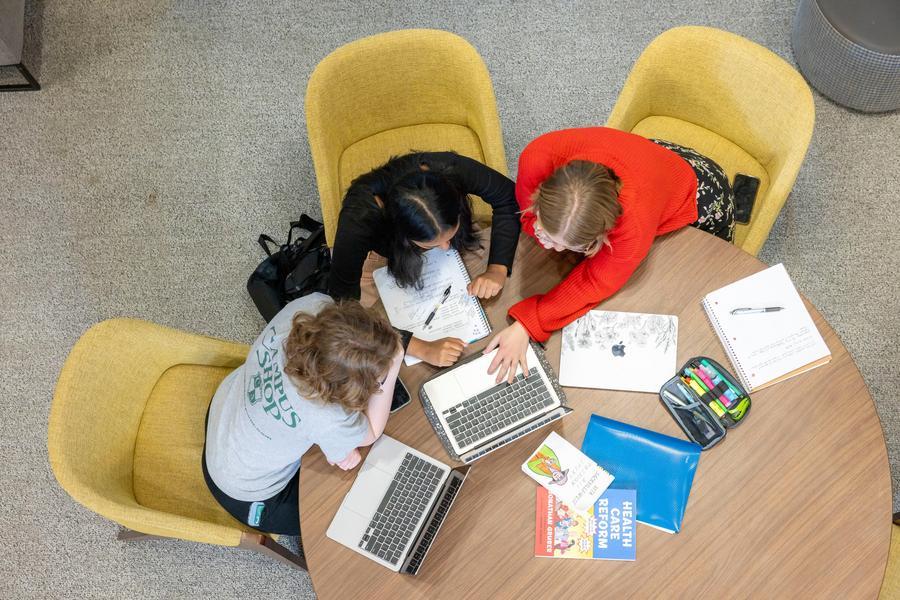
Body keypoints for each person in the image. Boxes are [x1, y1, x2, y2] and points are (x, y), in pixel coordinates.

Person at [484, 127, 735, 382]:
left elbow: (594, 281)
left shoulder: (633, 223)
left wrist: (529, 323)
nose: (554, 249)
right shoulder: (536, 159)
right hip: (645, 157)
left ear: (607, 232)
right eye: (547, 235)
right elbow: (527, 214)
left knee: (709, 267)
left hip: (697, 189)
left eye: (571, 246)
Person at [202, 293, 403, 535]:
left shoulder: (312, 305)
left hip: (225, 414)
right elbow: (370, 432)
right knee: (340, 517)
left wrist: (339, 443)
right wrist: (394, 362)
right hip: (242, 489)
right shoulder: (326, 415)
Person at [328, 151, 521, 367]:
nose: (445, 249)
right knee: (367, 351)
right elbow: (344, 306)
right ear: (402, 234)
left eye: (450, 234)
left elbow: (509, 198)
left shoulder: (448, 169)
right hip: (383, 255)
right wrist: (421, 348)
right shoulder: (359, 221)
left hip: (438, 237)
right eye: (432, 245)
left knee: (501, 304)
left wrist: (497, 268)